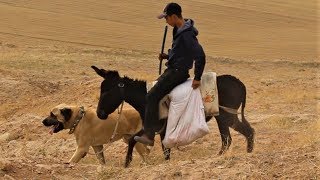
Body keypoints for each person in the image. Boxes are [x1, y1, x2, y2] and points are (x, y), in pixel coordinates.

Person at [134, 2, 206, 146]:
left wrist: (197, 77)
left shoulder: (186, 35)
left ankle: (149, 135)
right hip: (174, 69)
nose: (166, 21)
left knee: (151, 96)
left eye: (166, 18)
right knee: (155, 91)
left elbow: (200, 55)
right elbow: (180, 53)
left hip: (177, 72)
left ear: (174, 16)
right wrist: (167, 56)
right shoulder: (178, 29)